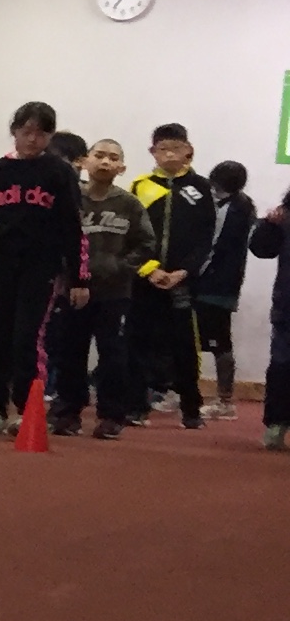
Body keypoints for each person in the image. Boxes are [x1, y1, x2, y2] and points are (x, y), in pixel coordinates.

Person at [0, 101, 85, 435]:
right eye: (26, 132)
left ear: (50, 136)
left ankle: (26, 408)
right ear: (15, 132)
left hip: (41, 265)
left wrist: (79, 277)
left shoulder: (59, 172)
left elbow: (72, 228)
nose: (33, 139)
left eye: (41, 134)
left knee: (27, 338)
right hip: (0, 263)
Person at [50, 136, 148, 440]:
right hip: (73, 292)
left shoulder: (129, 204)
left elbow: (146, 244)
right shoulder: (69, 199)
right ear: (85, 161)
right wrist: (65, 275)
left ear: (122, 168)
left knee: (113, 355)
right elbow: (54, 240)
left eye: (113, 158)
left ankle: (111, 415)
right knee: (70, 352)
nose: (105, 162)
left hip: (115, 294)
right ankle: (67, 412)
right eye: (100, 155)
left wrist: (118, 267)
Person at [125, 125, 215, 430]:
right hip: (145, 278)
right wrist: (148, 269)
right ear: (153, 152)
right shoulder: (140, 186)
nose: (170, 155)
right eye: (163, 149)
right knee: (137, 341)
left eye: (176, 148)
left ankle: (191, 409)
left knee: (184, 346)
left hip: (182, 281)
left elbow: (206, 238)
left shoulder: (202, 188)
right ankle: (136, 405)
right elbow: (129, 235)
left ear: (188, 150)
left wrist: (184, 271)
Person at [194, 161, 254, 418]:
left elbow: (213, 245)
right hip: (211, 282)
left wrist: (192, 270)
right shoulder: (224, 203)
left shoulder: (237, 209)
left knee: (219, 341)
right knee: (193, 337)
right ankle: (182, 390)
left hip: (218, 284)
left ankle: (225, 400)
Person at [248, 190, 290, 452]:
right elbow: (262, 250)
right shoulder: (284, 216)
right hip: (287, 306)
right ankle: (276, 424)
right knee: (282, 367)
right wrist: (269, 225)